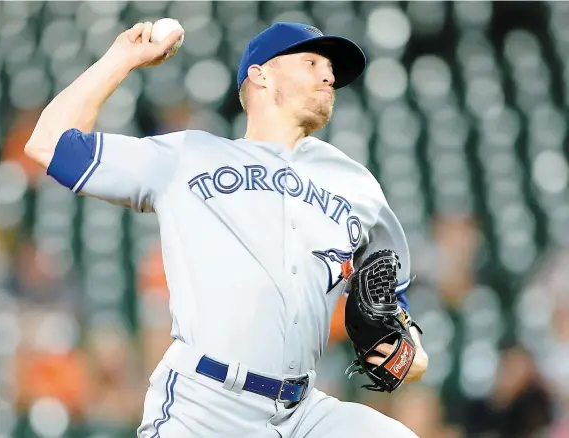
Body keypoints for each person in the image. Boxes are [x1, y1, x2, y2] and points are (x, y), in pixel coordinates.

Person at [25, 20, 428, 438]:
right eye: (311, 61)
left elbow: (389, 303)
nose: (328, 75)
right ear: (261, 73)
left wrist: (411, 356)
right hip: (206, 405)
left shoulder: (356, 185)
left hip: (304, 411)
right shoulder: (189, 156)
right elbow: (48, 143)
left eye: (330, 69)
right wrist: (122, 58)